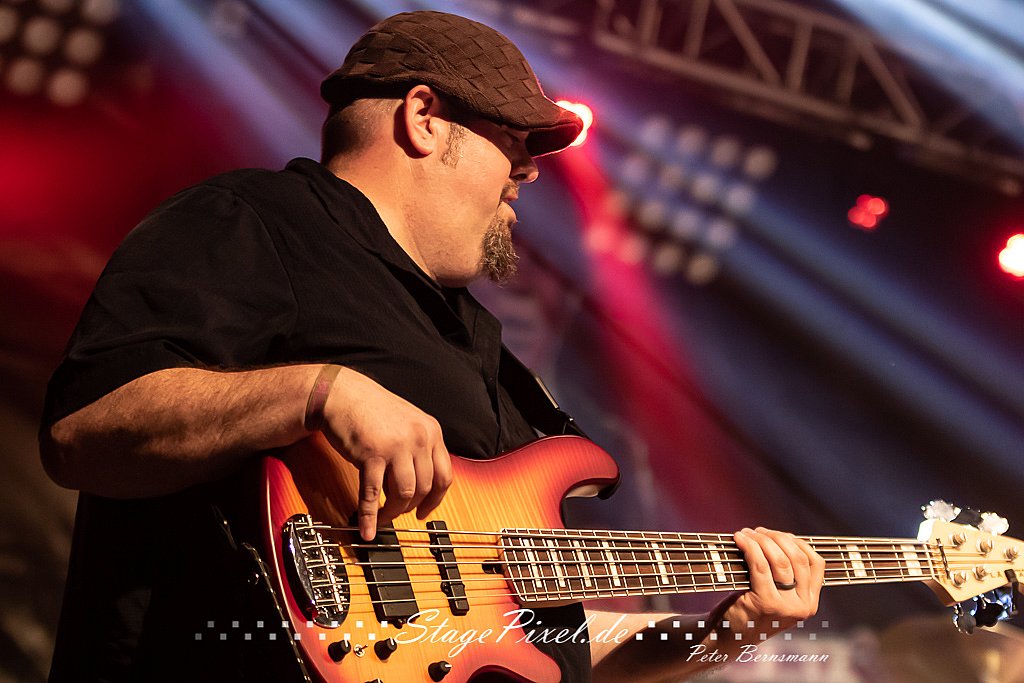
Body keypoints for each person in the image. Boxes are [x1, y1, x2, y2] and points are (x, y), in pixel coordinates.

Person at [39, 10, 824, 683]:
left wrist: (725, 634)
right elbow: (82, 429)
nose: (529, 171)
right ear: (423, 118)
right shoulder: (253, 220)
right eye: (513, 138)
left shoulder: (478, 342)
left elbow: (540, 639)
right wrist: (319, 391)